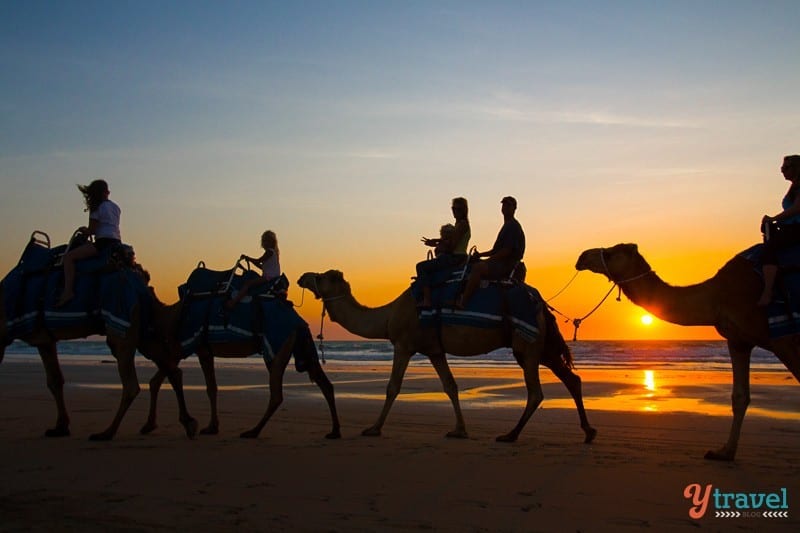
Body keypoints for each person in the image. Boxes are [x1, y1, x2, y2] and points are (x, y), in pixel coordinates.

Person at [56, 179, 121, 307]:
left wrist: (84, 230)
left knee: (68, 257)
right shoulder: (116, 207)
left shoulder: (97, 207)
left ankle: (68, 291)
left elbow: (92, 230)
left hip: (103, 243)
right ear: (107, 192)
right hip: (117, 242)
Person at [458, 196, 525, 309]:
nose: (505, 207)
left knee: (478, 268)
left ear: (514, 208)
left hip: (507, 264)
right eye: (504, 205)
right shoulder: (507, 225)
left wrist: (488, 260)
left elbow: (506, 251)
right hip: (501, 262)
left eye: (508, 205)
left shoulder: (513, 226)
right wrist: (480, 255)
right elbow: (495, 250)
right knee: (472, 264)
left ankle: (464, 301)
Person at [757, 155, 800, 306]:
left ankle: (767, 292)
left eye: (786, 167)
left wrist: (773, 218)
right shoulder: (794, 186)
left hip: (797, 229)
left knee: (769, 249)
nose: (782, 171)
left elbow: (797, 209)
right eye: (782, 168)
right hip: (791, 226)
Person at [416, 197, 471, 307]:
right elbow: (451, 241)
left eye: (457, 209)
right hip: (457, 256)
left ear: (464, 210)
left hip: (455, 258)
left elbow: (451, 247)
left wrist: (438, 246)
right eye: (453, 208)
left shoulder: (462, 225)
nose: (455, 211)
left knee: (421, 267)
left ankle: (427, 300)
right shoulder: (460, 224)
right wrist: (436, 242)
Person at [225, 230, 281, 309]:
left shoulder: (269, 252)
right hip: (270, 276)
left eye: (265, 241)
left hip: (269, 277)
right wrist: (250, 261)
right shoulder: (273, 253)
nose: (264, 243)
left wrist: (248, 258)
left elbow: (259, 260)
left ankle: (233, 302)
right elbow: (261, 266)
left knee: (247, 284)